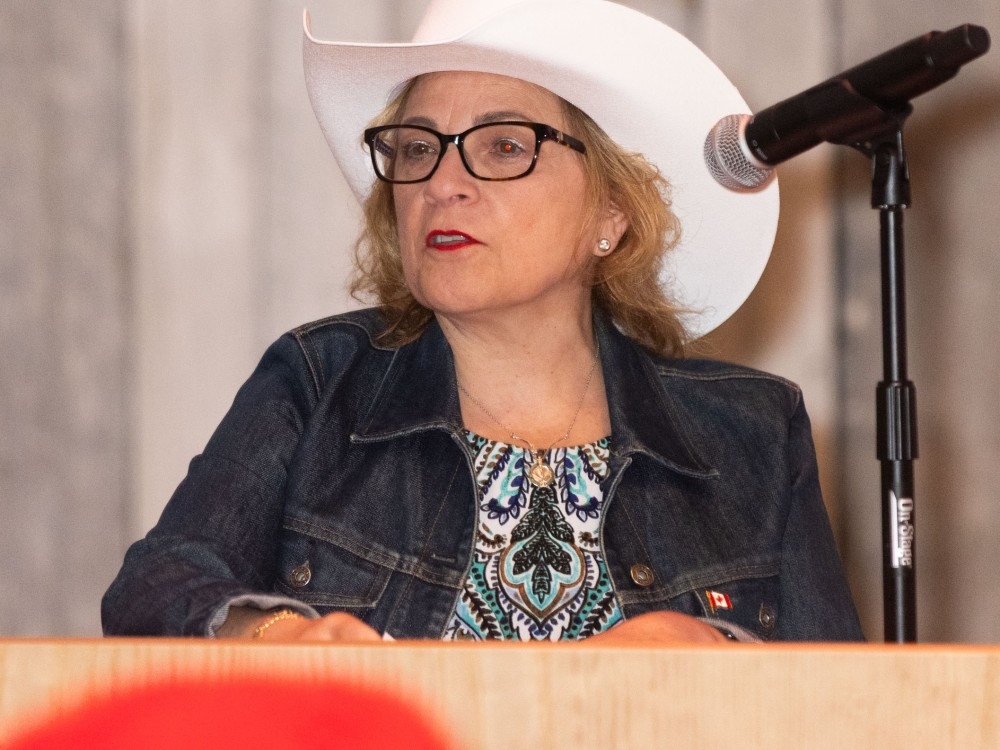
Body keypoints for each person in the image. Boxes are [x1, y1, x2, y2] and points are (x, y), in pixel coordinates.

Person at [102, 0, 863, 643]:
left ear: (612, 211)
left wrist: (719, 657)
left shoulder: (753, 431)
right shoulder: (317, 381)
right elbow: (154, 587)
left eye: (502, 146)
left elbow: (849, 708)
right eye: (418, 147)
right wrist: (279, 637)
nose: (443, 183)